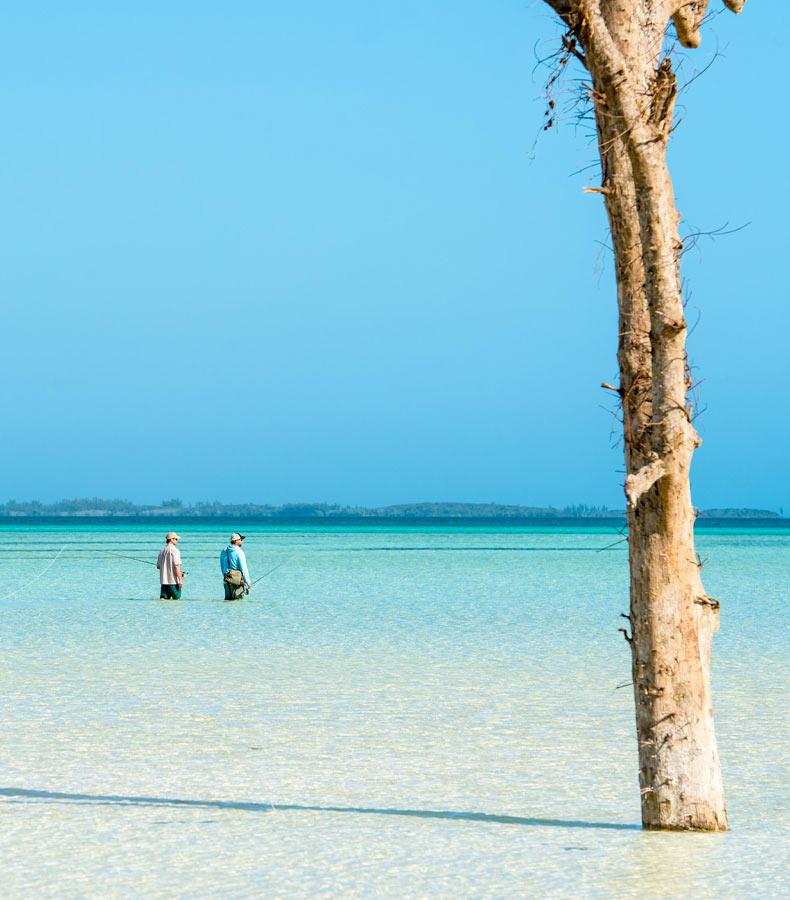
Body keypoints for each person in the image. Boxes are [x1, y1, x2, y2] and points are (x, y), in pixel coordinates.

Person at [221, 532, 251, 600]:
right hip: (237, 583)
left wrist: (226, 578)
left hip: (226, 581)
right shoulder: (239, 552)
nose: (242, 541)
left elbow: (222, 567)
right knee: (238, 605)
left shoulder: (224, 551)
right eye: (241, 539)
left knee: (228, 604)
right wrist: (248, 582)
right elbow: (243, 568)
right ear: (237, 541)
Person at [157, 532, 184, 599]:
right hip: (173, 582)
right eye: (176, 539)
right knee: (177, 600)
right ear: (171, 539)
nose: (177, 540)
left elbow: (158, 566)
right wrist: (180, 579)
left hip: (164, 581)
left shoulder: (162, 550)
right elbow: (176, 566)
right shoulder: (175, 550)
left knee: (163, 599)